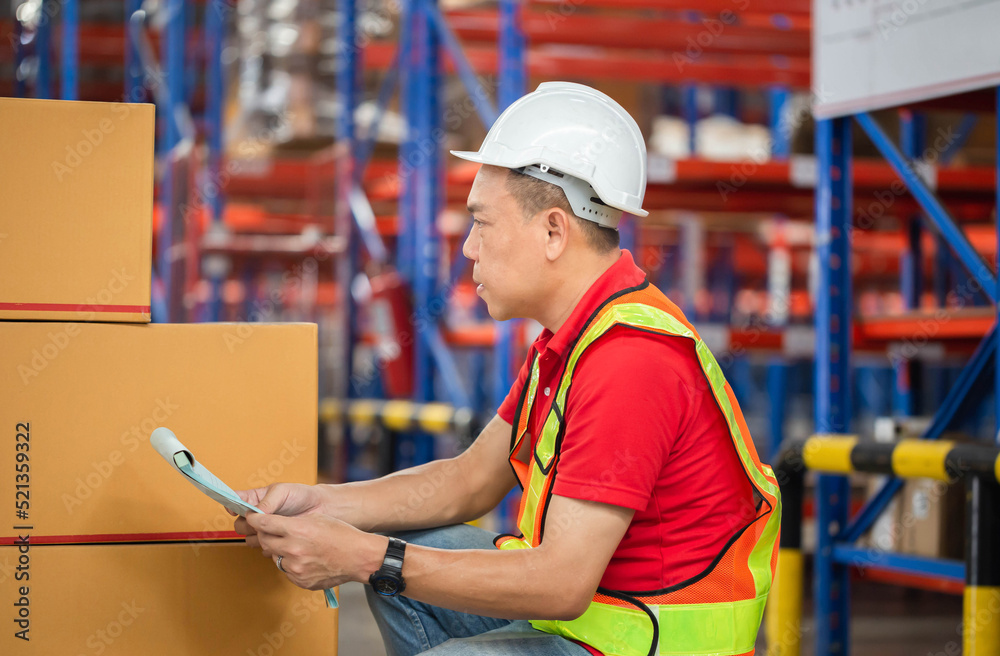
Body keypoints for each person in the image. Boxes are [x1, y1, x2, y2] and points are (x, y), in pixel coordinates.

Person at [235, 81, 781, 656]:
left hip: (648, 643)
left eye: (482, 223)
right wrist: (323, 505)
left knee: (403, 582)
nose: (468, 248)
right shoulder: (568, 342)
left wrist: (363, 556)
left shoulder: (631, 360)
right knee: (408, 549)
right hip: (603, 622)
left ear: (553, 231)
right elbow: (469, 481)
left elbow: (560, 584)